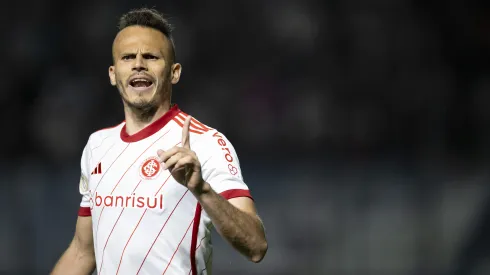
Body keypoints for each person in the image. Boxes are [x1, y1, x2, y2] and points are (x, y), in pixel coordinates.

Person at [51, 7, 267, 275]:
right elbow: (83, 252)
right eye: (128, 57)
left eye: (151, 56)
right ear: (112, 73)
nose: (138, 64)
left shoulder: (206, 143)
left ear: (174, 72)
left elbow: (256, 245)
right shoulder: (97, 146)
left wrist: (201, 189)